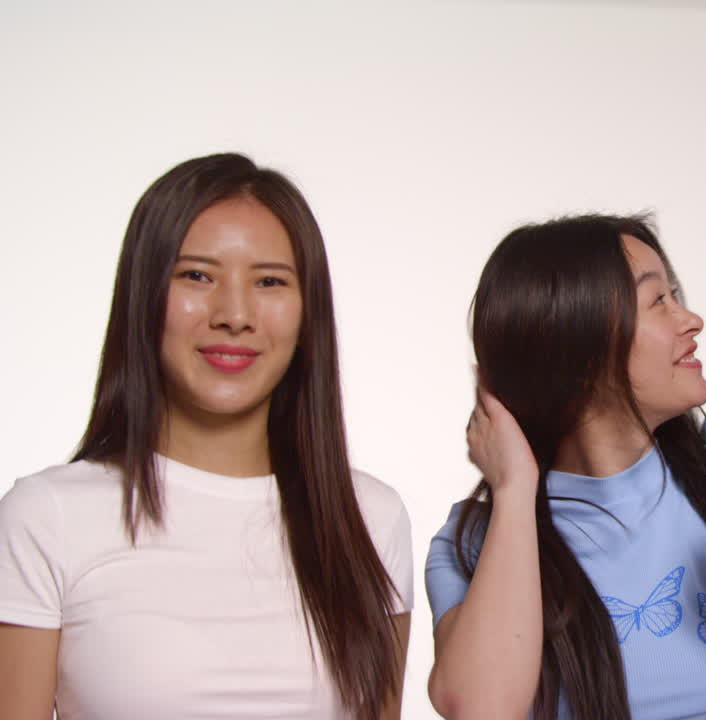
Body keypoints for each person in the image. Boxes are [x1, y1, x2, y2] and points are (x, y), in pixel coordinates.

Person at [0, 153, 413, 720]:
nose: (235, 315)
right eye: (197, 275)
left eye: (270, 281)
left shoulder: (369, 516)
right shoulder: (46, 516)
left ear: (306, 312)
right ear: (144, 296)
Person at [424, 215, 706, 719]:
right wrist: (513, 490)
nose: (691, 320)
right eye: (657, 300)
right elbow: (482, 710)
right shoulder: (472, 543)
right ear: (577, 343)